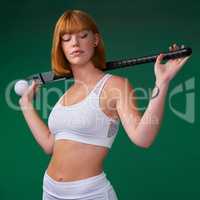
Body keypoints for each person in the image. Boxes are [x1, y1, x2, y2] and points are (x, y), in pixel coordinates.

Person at [19, 9, 190, 200]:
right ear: (61, 47)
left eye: (82, 35)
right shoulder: (65, 95)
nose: (75, 43)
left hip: (90, 194)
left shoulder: (115, 86)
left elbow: (143, 138)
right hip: (50, 191)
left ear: (95, 40)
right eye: (66, 39)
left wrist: (162, 82)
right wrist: (26, 104)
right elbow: (50, 145)